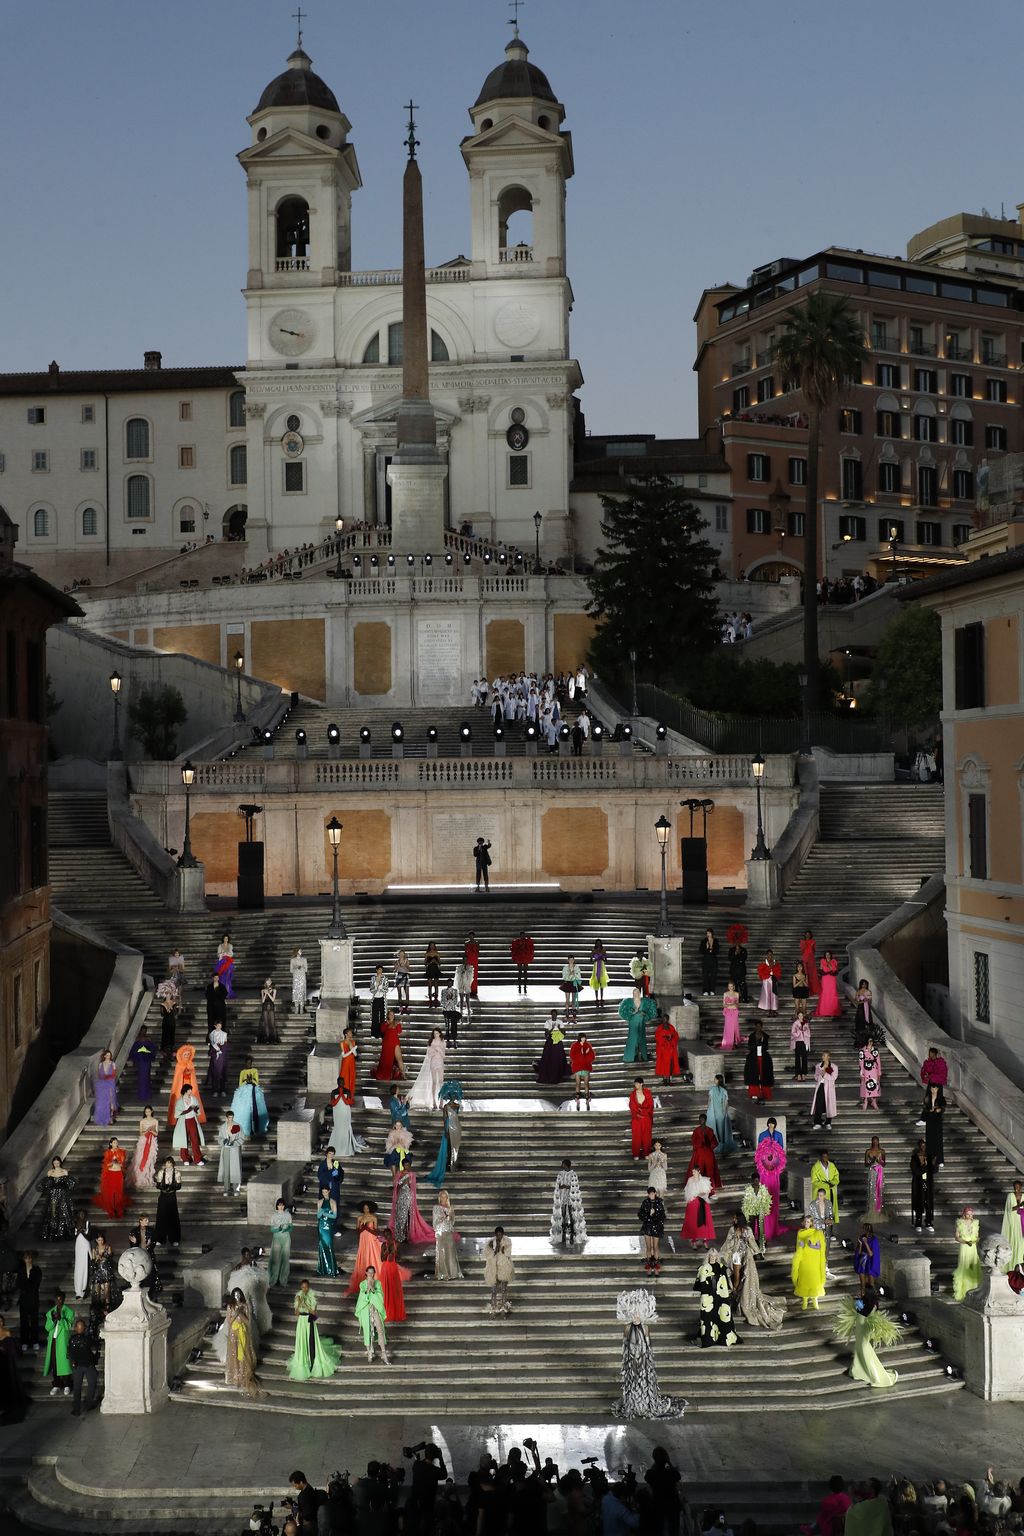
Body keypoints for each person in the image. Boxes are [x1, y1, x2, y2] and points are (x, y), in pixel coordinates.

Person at [612, 1288, 685, 1418]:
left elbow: (648, 1345)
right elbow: (625, 1344)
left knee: (644, 1381)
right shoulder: (627, 1327)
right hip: (631, 1359)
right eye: (633, 1314)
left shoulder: (645, 1327)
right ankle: (634, 1403)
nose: (636, 1317)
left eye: (638, 1314)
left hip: (644, 1359)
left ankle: (646, 1403)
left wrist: (646, 1361)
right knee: (632, 1382)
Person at [722, 1213, 784, 1330]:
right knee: (736, 1275)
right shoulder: (732, 1229)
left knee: (746, 1275)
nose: (733, 1219)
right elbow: (727, 1243)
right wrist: (734, 1238)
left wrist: (758, 1250)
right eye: (733, 1218)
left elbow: (751, 1242)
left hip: (745, 1254)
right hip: (735, 1255)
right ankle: (735, 1292)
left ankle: (737, 1294)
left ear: (739, 1219)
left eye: (735, 1218)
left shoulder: (747, 1229)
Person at [834, 1293, 901, 1390]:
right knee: (861, 1350)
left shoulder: (866, 1307)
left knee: (864, 1351)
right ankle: (857, 1370)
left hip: (862, 1331)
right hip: (860, 1331)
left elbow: (861, 1310)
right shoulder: (867, 1306)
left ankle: (874, 1376)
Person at [287, 1279, 340, 1381]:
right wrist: (298, 1303)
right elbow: (296, 1314)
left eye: (306, 1287)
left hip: (309, 1321)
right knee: (302, 1342)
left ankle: (313, 1362)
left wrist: (304, 1303)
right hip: (301, 1323)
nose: (304, 1289)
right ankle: (304, 1362)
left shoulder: (312, 1297)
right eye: (302, 1287)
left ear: (309, 1287)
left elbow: (314, 1313)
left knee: (311, 1342)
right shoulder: (298, 1296)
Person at [693, 1250, 740, 1347]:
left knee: (722, 1315)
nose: (712, 1257)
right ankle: (709, 1338)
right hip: (708, 1297)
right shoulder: (704, 1268)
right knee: (708, 1317)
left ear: (717, 1256)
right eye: (711, 1255)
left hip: (720, 1296)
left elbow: (726, 1279)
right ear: (708, 1256)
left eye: (714, 1256)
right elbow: (700, 1283)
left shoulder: (721, 1267)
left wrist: (732, 1288)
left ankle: (722, 1337)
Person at [223, 1289, 263, 1398]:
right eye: (235, 1295)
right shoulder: (230, 1306)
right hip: (233, 1332)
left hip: (243, 1331)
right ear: (232, 1296)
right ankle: (236, 1373)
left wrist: (241, 1313)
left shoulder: (245, 1305)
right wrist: (236, 1313)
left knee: (243, 1352)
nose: (237, 1296)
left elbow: (248, 1321)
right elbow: (229, 1321)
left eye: (239, 1294)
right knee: (234, 1353)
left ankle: (243, 1372)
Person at [754, 1129, 787, 1244]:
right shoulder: (761, 1155)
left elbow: (779, 1164)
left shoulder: (777, 1154)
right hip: (765, 1179)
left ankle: (771, 1228)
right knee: (763, 1206)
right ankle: (762, 1231)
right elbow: (760, 1164)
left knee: (773, 1205)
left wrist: (773, 1169)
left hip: (773, 1179)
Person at [355, 1265, 390, 1363]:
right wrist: (368, 1290)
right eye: (369, 1272)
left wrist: (373, 1289)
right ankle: (369, 1351)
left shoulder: (378, 1283)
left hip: (375, 1309)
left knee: (380, 1329)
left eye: (372, 1272)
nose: (371, 1274)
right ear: (366, 1273)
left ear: (374, 1273)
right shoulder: (362, 1284)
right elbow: (362, 1298)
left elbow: (380, 1297)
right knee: (367, 1330)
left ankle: (383, 1353)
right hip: (366, 1309)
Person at [346, 1203, 383, 1292]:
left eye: (367, 1208)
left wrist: (369, 1229)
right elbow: (357, 1229)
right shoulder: (359, 1218)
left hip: (370, 1238)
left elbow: (376, 1229)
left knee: (372, 1253)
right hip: (363, 1239)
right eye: (364, 1208)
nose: (366, 1209)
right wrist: (361, 1227)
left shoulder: (373, 1218)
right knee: (364, 1254)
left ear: (370, 1209)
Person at [43, 1292, 75, 1396]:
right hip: (53, 1341)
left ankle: (67, 1385)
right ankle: (56, 1384)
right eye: (57, 1299)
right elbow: (47, 1328)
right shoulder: (50, 1312)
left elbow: (68, 1326)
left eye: (60, 1299)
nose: (59, 1301)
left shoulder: (69, 1312)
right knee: (54, 1362)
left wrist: (61, 1318)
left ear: (64, 1299)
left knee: (65, 1363)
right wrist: (53, 1320)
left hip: (63, 1341)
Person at [38, 1155, 76, 1240]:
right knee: (53, 1213)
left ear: (60, 1162)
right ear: (53, 1163)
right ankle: (52, 1232)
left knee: (63, 1212)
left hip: (63, 1195)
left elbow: (69, 1185)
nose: (56, 1164)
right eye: (54, 1163)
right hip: (53, 1195)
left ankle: (62, 1233)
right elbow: (47, 1184)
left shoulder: (65, 1172)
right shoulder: (50, 1172)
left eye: (57, 1162)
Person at [552, 1160, 587, 1248]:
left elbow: (573, 1185)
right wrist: (564, 1187)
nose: (562, 1166)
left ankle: (572, 1234)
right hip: (562, 1197)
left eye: (563, 1164)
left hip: (571, 1199)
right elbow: (558, 1185)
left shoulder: (573, 1174)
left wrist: (565, 1186)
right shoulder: (560, 1174)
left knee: (572, 1216)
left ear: (566, 1165)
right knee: (563, 1215)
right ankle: (563, 1235)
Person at [68, 1317, 99, 1415]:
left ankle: (76, 1409)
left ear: (76, 1329)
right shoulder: (88, 1339)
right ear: (84, 1328)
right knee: (92, 1384)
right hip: (88, 1365)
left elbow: (70, 1353)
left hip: (77, 1365)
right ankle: (89, 1404)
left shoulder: (72, 1339)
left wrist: (72, 1362)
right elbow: (96, 1345)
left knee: (77, 1387)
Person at [791, 1224, 826, 1310]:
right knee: (804, 1280)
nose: (807, 1223)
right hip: (804, 1258)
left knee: (814, 1280)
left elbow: (820, 1246)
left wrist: (811, 1246)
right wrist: (801, 1247)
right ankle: (805, 1300)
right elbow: (798, 1246)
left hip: (814, 1259)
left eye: (808, 1221)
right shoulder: (801, 1233)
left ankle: (815, 1300)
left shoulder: (817, 1233)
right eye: (805, 1221)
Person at [167, 1042, 204, 1124]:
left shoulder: (191, 1064)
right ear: (182, 1055)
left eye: (188, 1054)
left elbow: (192, 1075)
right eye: (185, 1054)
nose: (187, 1056)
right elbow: (178, 1077)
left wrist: (189, 1072)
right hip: (181, 1085)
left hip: (189, 1084)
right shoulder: (179, 1065)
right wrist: (184, 1072)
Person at [409, 1029, 446, 1110]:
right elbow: (429, 1054)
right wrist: (434, 1051)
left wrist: (439, 1050)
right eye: (434, 1033)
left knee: (441, 1082)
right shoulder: (431, 1042)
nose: (436, 1035)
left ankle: (441, 1102)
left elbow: (444, 1055)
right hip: (433, 1062)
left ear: (440, 1033)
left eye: (437, 1033)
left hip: (440, 1063)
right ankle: (433, 1101)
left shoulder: (442, 1042)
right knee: (434, 1082)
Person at [378, 1232, 411, 1321]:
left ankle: (395, 1311)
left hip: (393, 1268)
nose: (388, 1237)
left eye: (389, 1235)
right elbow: (382, 1258)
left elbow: (399, 1257)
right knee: (386, 1289)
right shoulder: (383, 1245)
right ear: (385, 1237)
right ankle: (386, 1311)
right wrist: (387, 1251)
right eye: (386, 1235)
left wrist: (395, 1252)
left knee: (394, 1289)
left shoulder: (396, 1244)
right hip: (386, 1268)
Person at [232, 1060, 270, 1138]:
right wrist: (246, 1081)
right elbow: (240, 1083)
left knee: (256, 1108)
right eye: (247, 1063)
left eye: (250, 1063)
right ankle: (245, 1127)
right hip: (244, 1091)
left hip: (253, 1090)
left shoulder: (255, 1070)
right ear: (245, 1063)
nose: (248, 1064)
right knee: (244, 1110)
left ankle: (256, 1127)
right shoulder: (243, 1072)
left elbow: (256, 1082)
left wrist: (251, 1080)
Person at [172, 1080, 206, 1164]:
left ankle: (197, 1158)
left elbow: (198, 1110)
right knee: (184, 1139)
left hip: (192, 1120)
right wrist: (187, 1110)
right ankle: (185, 1158)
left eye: (191, 1090)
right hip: (183, 1122)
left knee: (195, 1140)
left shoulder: (193, 1099)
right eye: (189, 1090)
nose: (191, 1091)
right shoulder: (180, 1101)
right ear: (185, 1090)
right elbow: (177, 1114)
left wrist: (195, 1109)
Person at [952, 1207, 982, 1301]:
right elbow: (957, 1237)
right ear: (964, 1214)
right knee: (964, 1266)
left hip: (972, 1247)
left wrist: (976, 1240)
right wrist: (965, 1241)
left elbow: (977, 1236)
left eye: (971, 1214)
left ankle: (973, 1289)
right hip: (964, 1247)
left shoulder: (975, 1223)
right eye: (968, 1214)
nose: (970, 1216)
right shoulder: (960, 1223)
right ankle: (963, 1291)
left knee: (972, 1265)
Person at [620, 987, 657, 1063]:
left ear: (639, 994)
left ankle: (642, 1055)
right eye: (634, 993)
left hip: (641, 1021)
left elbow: (651, 1012)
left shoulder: (645, 1002)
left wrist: (645, 1015)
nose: (635, 995)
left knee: (641, 1038)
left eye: (637, 993)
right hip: (633, 1022)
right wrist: (632, 1013)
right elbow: (623, 1013)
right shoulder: (628, 1002)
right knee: (632, 1039)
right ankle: (631, 1056)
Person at [685, 1114, 721, 1192]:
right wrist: (700, 1144)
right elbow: (694, 1142)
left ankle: (711, 1190)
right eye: (699, 1119)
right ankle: (699, 1189)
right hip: (699, 1153)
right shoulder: (696, 1131)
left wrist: (709, 1144)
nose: (701, 1121)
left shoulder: (710, 1130)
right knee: (699, 1170)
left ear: (705, 1120)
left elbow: (714, 1142)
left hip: (708, 1153)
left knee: (710, 1171)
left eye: (702, 1119)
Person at [432, 1189, 463, 1279]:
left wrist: (449, 1216)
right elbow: (435, 1222)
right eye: (442, 1197)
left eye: (445, 1197)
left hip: (449, 1232)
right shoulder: (436, 1208)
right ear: (439, 1198)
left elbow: (452, 1222)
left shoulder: (450, 1208)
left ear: (447, 1198)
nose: (444, 1199)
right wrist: (443, 1217)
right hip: (440, 1232)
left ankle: (452, 1273)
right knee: (441, 1253)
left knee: (450, 1252)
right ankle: (443, 1274)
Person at [484, 1227, 515, 1316]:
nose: (499, 1237)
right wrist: (494, 1249)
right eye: (497, 1235)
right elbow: (488, 1255)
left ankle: (504, 1308)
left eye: (500, 1235)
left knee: (504, 1289)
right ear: (495, 1235)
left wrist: (501, 1249)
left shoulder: (507, 1241)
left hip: (504, 1267)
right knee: (494, 1290)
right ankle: (493, 1308)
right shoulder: (491, 1242)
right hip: (493, 1268)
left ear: (503, 1234)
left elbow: (508, 1254)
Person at [96, 1137, 129, 1219]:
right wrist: (112, 1162)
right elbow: (106, 1165)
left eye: (117, 1142)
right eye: (114, 1143)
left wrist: (118, 1161)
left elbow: (122, 1165)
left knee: (119, 1193)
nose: (116, 1144)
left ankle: (119, 1210)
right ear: (111, 1144)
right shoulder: (107, 1153)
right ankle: (111, 1210)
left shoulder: (121, 1152)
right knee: (110, 1194)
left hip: (118, 1174)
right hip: (110, 1174)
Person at [680, 1172, 714, 1249]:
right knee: (693, 1223)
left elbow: (707, 1191)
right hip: (693, 1202)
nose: (693, 1173)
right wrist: (695, 1195)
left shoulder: (704, 1180)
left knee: (704, 1223)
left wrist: (701, 1194)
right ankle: (694, 1241)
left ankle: (705, 1241)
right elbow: (688, 1192)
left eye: (695, 1171)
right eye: (692, 1172)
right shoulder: (690, 1180)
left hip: (702, 1202)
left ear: (698, 1171)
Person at [154, 1157, 182, 1247]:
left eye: (169, 1163)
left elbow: (179, 1185)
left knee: (173, 1217)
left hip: (172, 1196)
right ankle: (160, 1238)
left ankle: (174, 1239)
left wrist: (172, 1187)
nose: (167, 1165)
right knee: (161, 1216)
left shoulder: (177, 1173)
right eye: (166, 1163)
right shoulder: (161, 1172)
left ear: (172, 1164)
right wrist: (163, 1187)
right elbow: (158, 1185)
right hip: (163, 1196)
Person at [535, 1013, 570, 1084]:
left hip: (558, 1041)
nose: (554, 1015)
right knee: (549, 1057)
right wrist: (552, 1028)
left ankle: (558, 1074)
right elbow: (546, 1034)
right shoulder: (548, 1022)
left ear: (556, 1015)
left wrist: (559, 1028)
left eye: (555, 1014)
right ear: (551, 1015)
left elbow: (564, 1033)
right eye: (553, 1014)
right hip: (550, 1041)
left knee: (558, 1058)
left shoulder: (560, 1022)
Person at [16, 1252, 41, 1353]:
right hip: (24, 1300)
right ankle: (24, 1342)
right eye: (26, 1258)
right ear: (24, 1260)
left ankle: (35, 1341)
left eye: (29, 1258)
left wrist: (26, 1285)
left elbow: (36, 1284)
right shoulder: (21, 1271)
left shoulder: (37, 1270)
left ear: (32, 1259)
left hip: (33, 1299)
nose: (28, 1260)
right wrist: (27, 1285)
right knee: (24, 1321)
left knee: (34, 1321)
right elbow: (19, 1284)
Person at [216, 1110, 245, 1197]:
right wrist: (223, 1141)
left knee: (235, 1169)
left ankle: (236, 1188)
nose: (231, 1119)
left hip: (234, 1150)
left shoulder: (238, 1126)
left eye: (232, 1117)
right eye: (229, 1118)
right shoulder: (223, 1127)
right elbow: (219, 1138)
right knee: (226, 1169)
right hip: (226, 1149)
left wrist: (234, 1143)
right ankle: (226, 1189)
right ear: (226, 1117)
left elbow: (242, 1138)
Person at [638, 1187, 666, 1275]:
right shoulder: (645, 1202)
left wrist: (655, 1215)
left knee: (656, 1247)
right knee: (649, 1248)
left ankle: (656, 1267)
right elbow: (640, 1214)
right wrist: (648, 1215)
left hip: (656, 1227)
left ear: (655, 1193)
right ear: (648, 1194)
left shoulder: (659, 1202)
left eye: (653, 1193)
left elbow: (663, 1215)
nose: (651, 1195)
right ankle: (649, 1266)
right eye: (650, 1194)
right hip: (647, 1227)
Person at [373, 1009, 405, 1082]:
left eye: (393, 1014)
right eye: (390, 1014)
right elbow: (382, 1030)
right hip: (387, 1043)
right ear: (387, 1015)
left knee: (399, 1058)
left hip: (395, 1042)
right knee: (386, 1060)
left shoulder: (396, 1023)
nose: (391, 1016)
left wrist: (398, 1024)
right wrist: (387, 1024)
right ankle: (385, 1075)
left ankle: (403, 1074)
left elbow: (399, 1032)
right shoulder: (385, 1023)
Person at [910, 1140, 935, 1233]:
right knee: (919, 1201)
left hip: (928, 1182)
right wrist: (922, 1164)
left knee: (928, 1201)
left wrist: (932, 1163)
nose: (923, 1148)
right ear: (918, 1146)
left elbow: (933, 1170)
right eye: (921, 1146)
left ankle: (928, 1221)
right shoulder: (915, 1157)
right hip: (919, 1183)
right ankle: (918, 1221)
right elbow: (915, 1171)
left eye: (924, 1146)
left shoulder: (929, 1156)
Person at [706, 1075, 736, 1153]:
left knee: (714, 1129)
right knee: (722, 1130)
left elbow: (709, 1102)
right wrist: (725, 1113)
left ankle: (715, 1143)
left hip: (713, 1113)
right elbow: (726, 1104)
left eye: (715, 1079)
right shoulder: (724, 1091)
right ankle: (722, 1143)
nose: (714, 1080)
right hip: (721, 1114)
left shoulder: (712, 1090)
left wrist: (708, 1111)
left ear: (717, 1080)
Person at [743, 1025, 774, 1102]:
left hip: (764, 1058)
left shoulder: (765, 1036)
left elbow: (767, 1047)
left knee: (765, 1075)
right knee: (753, 1076)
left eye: (760, 1026)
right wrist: (755, 1046)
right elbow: (749, 1047)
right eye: (757, 1026)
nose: (758, 1028)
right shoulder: (751, 1036)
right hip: (753, 1058)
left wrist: (761, 1045)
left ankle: (765, 1093)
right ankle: (754, 1093)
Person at [918, 1045, 948, 1121]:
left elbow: (942, 1075)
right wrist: (926, 1075)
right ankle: (925, 1119)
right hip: (931, 1083)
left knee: (936, 1101)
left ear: (935, 1054)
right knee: (928, 1101)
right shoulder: (928, 1062)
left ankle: (931, 1118)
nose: (930, 1055)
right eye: (929, 1053)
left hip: (937, 1084)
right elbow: (925, 1072)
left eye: (931, 1053)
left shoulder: (941, 1063)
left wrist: (931, 1076)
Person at [268, 1199, 293, 1288]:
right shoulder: (274, 1216)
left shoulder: (288, 1215)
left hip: (286, 1238)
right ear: (277, 1206)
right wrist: (278, 1229)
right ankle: (273, 1279)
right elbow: (271, 1229)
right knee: (276, 1259)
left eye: (282, 1205)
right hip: (277, 1238)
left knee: (285, 1258)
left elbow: (291, 1228)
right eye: (279, 1205)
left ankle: (283, 1280)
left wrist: (286, 1229)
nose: (281, 1207)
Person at [128, 1026, 156, 1103]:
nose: (144, 1031)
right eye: (143, 1030)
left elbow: (153, 1050)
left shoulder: (149, 1039)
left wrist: (148, 1053)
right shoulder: (137, 1039)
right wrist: (138, 1055)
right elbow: (133, 1051)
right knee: (141, 1078)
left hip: (147, 1062)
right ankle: (141, 1095)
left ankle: (147, 1094)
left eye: (145, 1030)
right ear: (140, 1030)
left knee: (147, 1077)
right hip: (140, 1061)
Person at [811, 1051, 838, 1130]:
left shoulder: (833, 1067)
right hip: (821, 1086)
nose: (823, 1057)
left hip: (829, 1087)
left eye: (825, 1055)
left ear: (828, 1057)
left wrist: (825, 1074)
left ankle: (828, 1122)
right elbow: (816, 1076)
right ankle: (817, 1122)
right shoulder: (819, 1066)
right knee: (818, 1104)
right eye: (822, 1055)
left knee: (829, 1104)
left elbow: (833, 1078)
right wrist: (820, 1076)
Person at [629, 1078, 655, 1159]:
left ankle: (646, 1153)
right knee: (636, 1136)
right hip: (636, 1118)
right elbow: (632, 1106)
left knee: (646, 1136)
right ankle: (636, 1154)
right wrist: (638, 1113)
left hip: (646, 1118)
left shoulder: (647, 1093)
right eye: (635, 1084)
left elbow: (651, 1106)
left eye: (637, 1083)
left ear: (641, 1084)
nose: (635, 1085)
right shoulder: (633, 1094)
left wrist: (643, 1112)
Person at [811, 1151, 840, 1224]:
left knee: (831, 1207)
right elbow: (814, 1181)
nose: (825, 1158)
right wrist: (826, 1185)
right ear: (820, 1157)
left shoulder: (832, 1165)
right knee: (822, 1209)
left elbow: (836, 1176)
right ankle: (822, 1223)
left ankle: (830, 1223)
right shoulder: (815, 1167)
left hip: (831, 1191)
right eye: (823, 1156)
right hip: (822, 1192)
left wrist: (833, 1183)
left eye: (826, 1156)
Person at [92, 1048, 119, 1127]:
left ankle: (110, 1117)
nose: (108, 1056)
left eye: (109, 1055)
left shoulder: (112, 1063)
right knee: (103, 1101)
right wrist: (103, 1078)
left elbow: (114, 1074)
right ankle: (104, 1117)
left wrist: (108, 1077)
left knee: (111, 1100)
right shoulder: (101, 1064)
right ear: (104, 1056)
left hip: (110, 1083)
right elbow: (99, 1075)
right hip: (102, 1084)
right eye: (107, 1055)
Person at [1001, 1180, 1024, 1270]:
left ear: (1021, 1187)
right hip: (1013, 1220)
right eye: (1015, 1187)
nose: (1016, 1188)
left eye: (1018, 1187)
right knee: (1013, 1239)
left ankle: (1020, 1260)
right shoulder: (1010, 1196)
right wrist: (1020, 1205)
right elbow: (1010, 1209)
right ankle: (1012, 1262)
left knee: (1021, 1241)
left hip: (1022, 1219)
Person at [854, 1223, 881, 1298]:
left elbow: (871, 1254)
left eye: (865, 1229)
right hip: (862, 1262)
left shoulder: (874, 1239)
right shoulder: (861, 1237)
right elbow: (858, 1253)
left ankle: (872, 1301)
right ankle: (863, 1300)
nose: (864, 1231)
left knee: (871, 1284)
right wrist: (860, 1243)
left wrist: (865, 1243)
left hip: (870, 1262)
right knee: (862, 1284)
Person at [569, 1032, 595, 1111]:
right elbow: (572, 1055)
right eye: (582, 1038)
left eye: (585, 1038)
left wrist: (586, 1054)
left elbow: (592, 1056)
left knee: (586, 1083)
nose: (584, 1039)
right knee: (578, 1083)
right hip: (578, 1067)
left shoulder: (588, 1045)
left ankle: (587, 1097)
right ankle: (577, 1097)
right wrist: (582, 1054)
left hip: (585, 1066)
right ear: (580, 1038)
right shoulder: (575, 1045)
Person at [317, 1189, 339, 1277]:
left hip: (329, 1226)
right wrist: (321, 1212)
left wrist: (324, 1213)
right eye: (323, 1192)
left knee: (329, 1245)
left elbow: (334, 1216)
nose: (324, 1194)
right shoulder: (319, 1202)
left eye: (326, 1192)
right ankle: (323, 1268)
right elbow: (318, 1216)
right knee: (322, 1245)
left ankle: (332, 1268)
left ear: (329, 1191)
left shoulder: (333, 1202)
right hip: (321, 1226)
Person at [206, 1017, 230, 1098]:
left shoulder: (224, 1034)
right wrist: (216, 1048)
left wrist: (221, 1048)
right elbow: (212, 1043)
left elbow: (226, 1045)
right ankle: (215, 1090)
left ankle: (222, 1090)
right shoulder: (212, 1034)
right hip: (215, 1056)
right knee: (215, 1073)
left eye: (220, 1025)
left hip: (222, 1055)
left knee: (222, 1073)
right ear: (215, 1026)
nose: (219, 1027)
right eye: (218, 1025)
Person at [923, 1081, 945, 1166]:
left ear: (938, 1089)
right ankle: (930, 1159)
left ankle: (940, 1160)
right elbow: (925, 1109)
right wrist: (929, 1110)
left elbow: (943, 1107)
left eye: (935, 1088)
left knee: (938, 1140)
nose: (933, 1090)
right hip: (930, 1120)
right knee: (929, 1140)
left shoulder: (941, 1098)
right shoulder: (927, 1098)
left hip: (937, 1120)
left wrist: (939, 1109)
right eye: (932, 1088)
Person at [654, 1015, 681, 1084]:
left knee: (670, 1064)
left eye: (666, 1019)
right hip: (662, 1049)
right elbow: (657, 1038)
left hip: (670, 1049)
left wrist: (671, 1039)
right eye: (664, 1019)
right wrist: (664, 1039)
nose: (665, 1020)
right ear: (662, 1020)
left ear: (668, 1019)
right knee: (663, 1065)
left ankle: (669, 1079)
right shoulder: (659, 1028)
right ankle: (665, 1079)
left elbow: (676, 1037)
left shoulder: (671, 1027)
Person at [727, 925, 750, 1003]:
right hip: (733, 971)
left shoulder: (744, 950)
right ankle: (735, 999)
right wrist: (735, 953)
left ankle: (745, 998)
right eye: (736, 941)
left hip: (741, 971)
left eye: (738, 941)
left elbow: (744, 959)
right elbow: (730, 958)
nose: (737, 942)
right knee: (734, 986)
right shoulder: (731, 950)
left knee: (743, 986)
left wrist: (739, 953)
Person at [864, 1137, 886, 1217]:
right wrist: (872, 1162)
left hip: (879, 1171)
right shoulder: (868, 1151)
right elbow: (865, 1164)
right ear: (872, 1142)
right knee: (872, 1189)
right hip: (872, 1171)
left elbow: (884, 1164)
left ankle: (878, 1210)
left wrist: (880, 1162)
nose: (875, 1143)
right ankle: (871, 1209)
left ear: (878, 1142)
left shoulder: (882, 1151)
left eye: (876, 1141)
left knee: (879, 1190)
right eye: (874, 1141)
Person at [816, 951, 841, 1018]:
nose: (827, 955)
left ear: (830, 955)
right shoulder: (822, 961)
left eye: (829, 954)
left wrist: (830, 966)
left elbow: (835, 970)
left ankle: (833, 1011)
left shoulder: (834, 961)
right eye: (826, 954)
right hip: (825, 979)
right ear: (825, 955)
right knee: (825, 993)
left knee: (832, 993)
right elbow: (821, 970)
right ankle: (824, 1011)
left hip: (832, 979)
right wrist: (824, 970)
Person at [859, 1038, 882, 1111]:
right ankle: (865, 1101)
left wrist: (879, 1072)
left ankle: (874, 1101)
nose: (870, 1042)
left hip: (874, 1070)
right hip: (865, 1070)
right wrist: (861, 1073)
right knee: (865, 1085)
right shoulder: (862, 1050)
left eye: (871, 1041)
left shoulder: (875, 1050)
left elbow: (878, 1061)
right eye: (869, 1041)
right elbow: (860, 1062)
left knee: (875, 1085)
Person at [257, 978, 280, 1044]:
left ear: (271, 983)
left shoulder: (274, 990)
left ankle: (274, 1039)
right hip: (265, 1007)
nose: (268, 984)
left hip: (271, 1006)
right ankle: (267, 1039)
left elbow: (273, 1000)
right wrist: (265, 994)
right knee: (266, 1024)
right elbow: (263, 1001)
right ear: (265, 983)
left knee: (272, 1023)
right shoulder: (262, 990)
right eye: (267, 983)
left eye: (269, 983)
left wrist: (268, 993)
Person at [560, 956, 583, 1022]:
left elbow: (579, 976)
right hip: (567, 983)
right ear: (568, 960)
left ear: (574, 960)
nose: (571, 961)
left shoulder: (577, 967)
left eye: (572, 960)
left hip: (574, 983)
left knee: (573, 1001)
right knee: (567, 1000)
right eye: (570, 960)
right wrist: (570, 974)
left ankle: (574, 1016)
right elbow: (564, 977)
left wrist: (574, 974)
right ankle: (567, 1016)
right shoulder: (565, 968)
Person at [720, 983, 743, 1049]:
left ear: (734, 987)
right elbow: (724, 1005)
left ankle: (735, 1042)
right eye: (729, 986)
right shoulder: (725, 994)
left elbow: (737, 1005)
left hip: (734, 1012)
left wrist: (733, 1006)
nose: (730, 987)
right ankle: (728, 1042)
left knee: (735, 1026)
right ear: (728, 987)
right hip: (728, 1012)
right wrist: (731, 1006)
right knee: (728, 1027)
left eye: (732, 986)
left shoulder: (736, 994)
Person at [791, 1010, 811, 1082]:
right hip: (798, 1041)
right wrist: (799, 1032)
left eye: (801, 1015)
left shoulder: (806, 1023)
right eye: (799, 1015)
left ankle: (803, 1074)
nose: (800, 1017)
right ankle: (798, 1074)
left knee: (804, 1058)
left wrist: (805, 1031)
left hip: (804, 1042)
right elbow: (793, 1033)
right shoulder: (795, 1024)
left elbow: (809, 1033)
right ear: (797, 1016)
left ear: (803, 1016)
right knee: (797, 1058)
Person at [698, 930, 719, 997]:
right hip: (706, 960)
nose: (708, 934)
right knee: (705, 976)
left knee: (713, 976)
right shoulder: (704, 941)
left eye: (709, 933)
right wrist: (707, 948)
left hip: (713, 960)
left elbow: (717, 951)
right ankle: (705, 990)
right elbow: (701, 951)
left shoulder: (715, 941)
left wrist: (712, 949)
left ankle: (712, 990)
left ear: (712, 933)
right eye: (707, 933)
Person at [441, 978, 461, 1047]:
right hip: (446, 1010)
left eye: (451, 983)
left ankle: (454, 1037)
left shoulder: (455, 991)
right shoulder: (443, 991)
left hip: (452, 1010)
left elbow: (455, 1002)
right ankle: (448, 1038)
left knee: (454, 1023)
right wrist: (448, 1001)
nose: (449, 984)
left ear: (452, 983)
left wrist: (450, 1000)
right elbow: (442, 1002)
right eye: (448, 982)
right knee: (448, 1023)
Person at [799, 930, 819, 998]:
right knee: (806, 974)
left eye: (809, 934)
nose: (807, 935)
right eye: (806, 934)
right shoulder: (802, 941)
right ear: (804, 935)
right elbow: (802, 951)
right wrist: (805, 944)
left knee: (812, 974)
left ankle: (813, 990)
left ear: (811, 935)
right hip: (805, 958)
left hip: (811, 959)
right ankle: (807, 990)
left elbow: (813, 951)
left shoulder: (813, 941)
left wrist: (812, 946)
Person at [853, 980, 873, 1047]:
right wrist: (862, 1001)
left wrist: (868, 1000)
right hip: (860, 1009)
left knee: (867, 1022)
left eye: (865, 984)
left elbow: (870, 1002)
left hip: (867, 1008)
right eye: (862, 984)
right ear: (861, 985)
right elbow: (856, 1001)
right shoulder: (858, 991)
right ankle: (859, 1040)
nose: (864, 985)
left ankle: (867, 1040)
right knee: (860, 1022)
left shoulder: (868, 992)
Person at [589, 940, 610, 1007]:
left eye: (599, 943)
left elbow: (606, 960)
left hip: (602, 966)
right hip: (596, 967)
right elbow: (590, 960)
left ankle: (601, 999)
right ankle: (596, 999)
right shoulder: (593, 951)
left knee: (602, 983)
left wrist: (602, 958)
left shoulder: (603, 951)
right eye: (597, 943)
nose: (598, 944)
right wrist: (595, 959)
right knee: (596, 982)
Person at [289, 948, 308, 1015]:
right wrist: (296, 968)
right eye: (300, 951)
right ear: (296, 952)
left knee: (302, 992)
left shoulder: (304, 959)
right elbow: (291, 970)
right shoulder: (292, 960)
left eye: (301, 951)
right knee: (296, 992)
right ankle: (296, 1007)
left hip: (302, 977)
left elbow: (306, 969)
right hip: (296, 978)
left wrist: (302, 967)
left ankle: (301, 1008)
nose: (301, 952)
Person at [424, 942, 442, 1007]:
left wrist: (436, 962)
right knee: (430, 985)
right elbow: (425, 964)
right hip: (429, 970)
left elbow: (439, 963)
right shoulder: (427, 954)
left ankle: (436, 999)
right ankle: (430, 1000)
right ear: (429, 946)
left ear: (434, 946)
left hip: (435, 970)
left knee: (436, 985)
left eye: (433, 945)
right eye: (431, 945)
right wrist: (430, 962)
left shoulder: (437, 953)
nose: (432, 946)